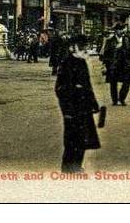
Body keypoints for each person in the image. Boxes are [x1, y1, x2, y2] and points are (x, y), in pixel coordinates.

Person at [55, 34, 101, 173]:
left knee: (82, 139)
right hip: (72, 109)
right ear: (72, 48)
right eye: (81, 47)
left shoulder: (82, 63)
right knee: (71, 140)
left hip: (84, 107)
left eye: (84, 47)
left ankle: (77, 166)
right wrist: (67, 110)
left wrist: (94, 104)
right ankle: (67, 168)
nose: (84, 51)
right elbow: (60, 89)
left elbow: (88, 85)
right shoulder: (66, 63)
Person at [101, 23, 130, 105]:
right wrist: (104, 65)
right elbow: (106, 53)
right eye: (119, 29)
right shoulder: (110, 41)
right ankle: (114, 100)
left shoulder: (127, 40)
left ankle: (122, 98)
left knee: (128, 81)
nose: (121, 31)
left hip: (124, 65)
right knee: (113, 83)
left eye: (122, 29)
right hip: (113, 64)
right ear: (116, 31)